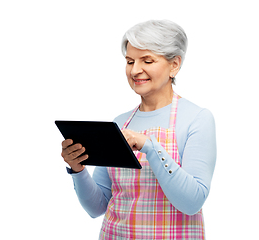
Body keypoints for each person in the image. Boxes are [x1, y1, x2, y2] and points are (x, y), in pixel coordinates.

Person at [61, 19, 216, 240]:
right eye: (130, 61)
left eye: (147, 60)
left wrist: (149, 146)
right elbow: (97, 207)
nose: (135, 70)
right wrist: (77, 169)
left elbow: (192, 202)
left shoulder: (197, 119)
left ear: (174, 65)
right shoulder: (121, 122)